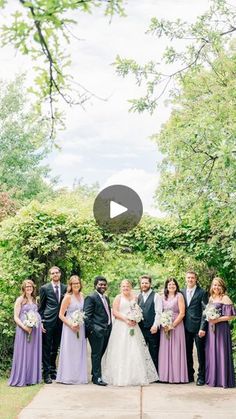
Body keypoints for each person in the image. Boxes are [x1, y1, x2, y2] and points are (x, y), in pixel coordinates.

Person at [102, 279, 158, 386]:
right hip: (121, 326)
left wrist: (135, 319)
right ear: (120, 287)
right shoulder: (118, 298)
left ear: (130, 287)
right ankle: (120, 376)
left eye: (127, 286)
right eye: (123, 286)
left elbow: (137, 310)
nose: (125, 288)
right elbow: (115, 312)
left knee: (135, 349)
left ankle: (136, 375)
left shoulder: (135, 298)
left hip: (133, 327)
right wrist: (126, 319)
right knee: (121, 350)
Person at [8, 279, 42, 386]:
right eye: (27, 286)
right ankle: (21, 377)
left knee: (32, 353)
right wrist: (25, 327)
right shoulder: (20, 300)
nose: (29, 288)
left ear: (33, 288)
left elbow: (36, 313)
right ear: (23, 288)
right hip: (23, 330)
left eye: (30, 286)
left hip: (34, 330)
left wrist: (40, 324)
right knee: (23, 353)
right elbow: (16, 317)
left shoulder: (35, 299)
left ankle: (31, 378)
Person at [56, 275, 88, 384]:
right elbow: (60, 315)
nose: (76, 285)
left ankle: (79, 377)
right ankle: (68, 376)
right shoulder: (68, 297)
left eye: (77, 283)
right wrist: (71, 324)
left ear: (80, 284)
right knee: (70, 351)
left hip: (80, 327)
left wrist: (79, 322)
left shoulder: (82, 295)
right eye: (74, 283)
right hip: (69, 328)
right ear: (70, 285)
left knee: (79, 351)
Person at [205, 277, 235, 388]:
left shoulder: (225, 298)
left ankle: (223, 380)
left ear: (222, 287)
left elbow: (231, 316)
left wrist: (217, 319)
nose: (216, 287)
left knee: (221, 351)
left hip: (222, 328)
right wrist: (210, 319)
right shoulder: (211, 298)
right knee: (212, 352)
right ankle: (214, 379)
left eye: (218, 285)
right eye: (214, 285)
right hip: (211, 329)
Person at [39, 266, 67, 384]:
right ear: (50, 275)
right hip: (48, 321)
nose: (55, 275)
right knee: (46, 348)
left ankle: (53, 370)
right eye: (52, 273)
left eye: (57, 273)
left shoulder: (66, 288)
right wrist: (41, 321)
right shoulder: (44, 288)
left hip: (61, 322)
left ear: (60, 274)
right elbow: (41, 307)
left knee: (55, 347)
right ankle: (46, 374)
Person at [158, 278, 188, 383]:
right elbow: (159, 312)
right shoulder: (162, 297)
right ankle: (165, 376)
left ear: (176, 286)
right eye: (169, 284)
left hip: (177, 325)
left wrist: (172, 325)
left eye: (173, 284)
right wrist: (164, 323)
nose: (171, 286)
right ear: (166, 286)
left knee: (176, 349)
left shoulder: (179, 296)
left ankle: (177, 377)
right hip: (165, 325)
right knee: (165, 350)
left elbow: (182, 313)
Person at [181, 270, 208, 385]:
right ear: (185, 279)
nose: (190, 279)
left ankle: (201, 376)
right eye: (188, 278)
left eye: (192, 277)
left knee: (201, 353)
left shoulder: (202, 292)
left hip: (198, 328)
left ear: (196, 279)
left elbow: (205, 311)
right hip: (184, 327)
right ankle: (189, 374)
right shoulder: (181, 292)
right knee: (187, 352)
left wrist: (202, 327)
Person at [84, 276, 112, 386]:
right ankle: (97, 378)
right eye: (100, 284)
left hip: (106, 330)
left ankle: (94, 373)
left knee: (100, 353)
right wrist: (94, 330)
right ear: (95, 285)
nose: (103, 286)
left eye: (104, 284)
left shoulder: (106, 298)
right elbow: (87, 316)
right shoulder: (91, 297)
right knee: (96, 354)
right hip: (96, 331)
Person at [137, 274, 162, 373]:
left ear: (150, 284)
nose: (144, 285)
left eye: (146, 283)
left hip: (152, 328)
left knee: (153, 352)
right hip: (141, 328)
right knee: (142, 352)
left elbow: (158, 312)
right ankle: (144, 373)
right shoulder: (139, 296)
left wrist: (155, 325)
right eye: (142, 283)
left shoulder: (156, 296)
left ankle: (155, 374)